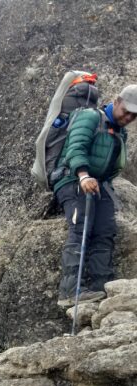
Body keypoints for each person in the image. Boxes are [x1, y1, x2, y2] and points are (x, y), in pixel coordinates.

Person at [54, 84, 137, 308]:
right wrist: (83, 175)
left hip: (99, 185)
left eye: (134, 114)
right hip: (72, 180)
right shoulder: (90, 117)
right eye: (126, 110)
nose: (128, 116)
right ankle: (70, 291)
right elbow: (75, 147)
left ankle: (103, 288)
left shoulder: (120, 131)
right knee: (81, 227)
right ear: (117, 101)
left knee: (105, 231)